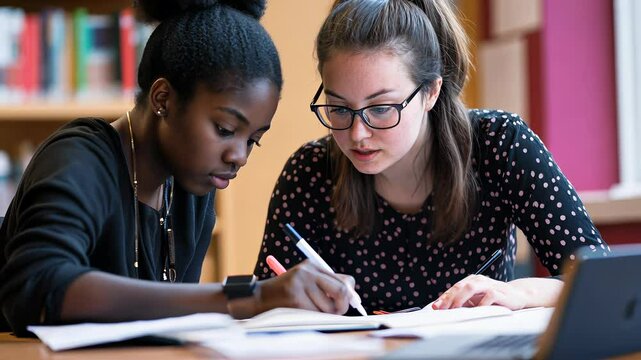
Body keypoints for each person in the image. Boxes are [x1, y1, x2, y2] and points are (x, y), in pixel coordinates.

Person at [0, 0, 355, 337]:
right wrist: (252, 296)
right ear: (163, 99)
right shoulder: (79, 160)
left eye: (253, 140)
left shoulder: (191, 190)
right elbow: (37, 287)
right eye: (226, 130)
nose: (240, 156)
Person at [254, 0, 610, 314]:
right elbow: (261, 303)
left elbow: (599, 277)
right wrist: (279, 297)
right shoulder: (310, 171)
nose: (357, 134)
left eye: (381, 108)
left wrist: (519, 291)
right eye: (339, 108)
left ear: (430, 92)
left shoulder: (500, 144)